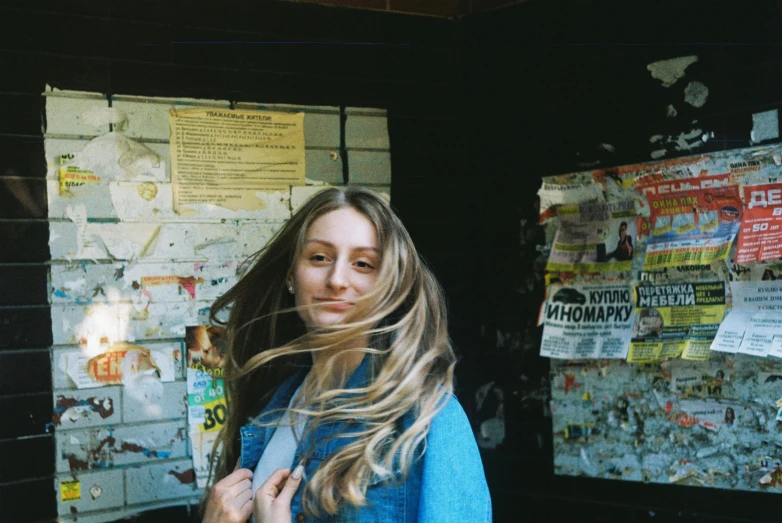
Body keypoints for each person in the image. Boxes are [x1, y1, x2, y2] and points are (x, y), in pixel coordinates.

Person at [201, 187, 491, 523]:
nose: (337, 280)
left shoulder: (426, 421)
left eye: (363, 264)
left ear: (390, 285)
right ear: (291, 276)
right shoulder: (272, 404)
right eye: (319, 257)